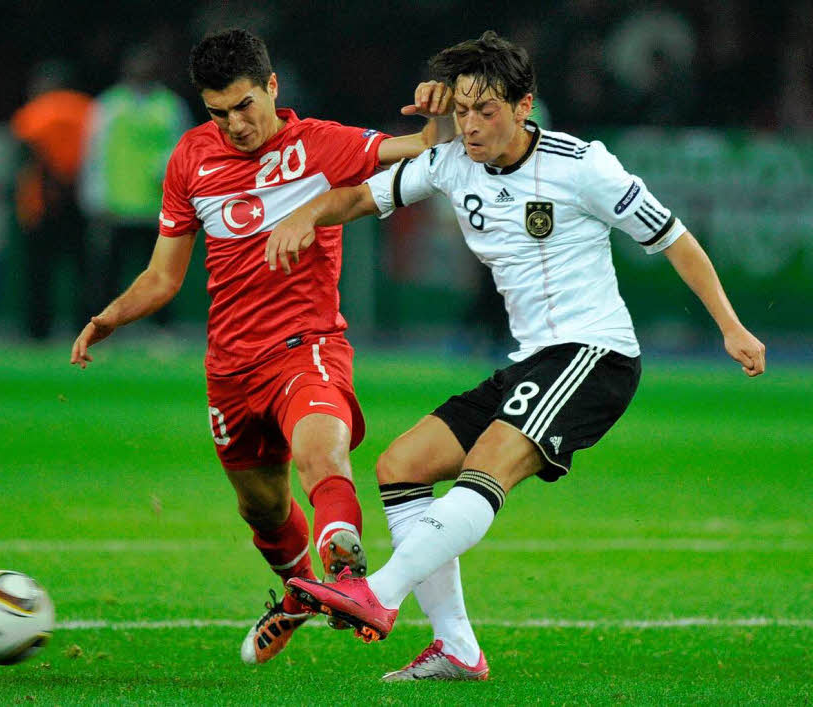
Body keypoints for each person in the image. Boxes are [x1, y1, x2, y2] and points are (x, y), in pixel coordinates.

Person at [269, 30, 766, 681]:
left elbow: (673, 237)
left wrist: (731, 326)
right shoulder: (451, 162)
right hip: (533, 360)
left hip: (595, 355)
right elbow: (362, 197)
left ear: (523, 105)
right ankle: (456, 647)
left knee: (485, 465)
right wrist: (305, 213)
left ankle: (378, 593)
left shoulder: (582, 166)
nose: (470, 127)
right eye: (463, 110)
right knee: (401, 464)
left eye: (486, 111)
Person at [70, 28, 454, 665]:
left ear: (272, 87)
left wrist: (439, 115)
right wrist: (111, 318)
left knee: (320, 450)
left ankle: (347, 568)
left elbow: (422, 148)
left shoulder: (322, 144)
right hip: (230, 368)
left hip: (307, 345)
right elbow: (164, 276)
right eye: (218, 111)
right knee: (263, 507)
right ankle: (300, 593)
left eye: (245, 105)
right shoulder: (191, 160)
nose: (235, 124)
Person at [78, 41, 191, 329]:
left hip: (158, 207)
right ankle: (102, 328)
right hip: (116, 206)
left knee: (161, 274)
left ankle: (161, 330)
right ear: (125, 68)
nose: (143, 70)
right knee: (108, 274)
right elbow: (94, 153)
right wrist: (94, 197)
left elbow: (186, 152)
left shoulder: (170, 106)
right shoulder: (108, 105)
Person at [11, 60, 93, 340]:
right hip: (79, 200)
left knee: (39, 273)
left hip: (41, 204)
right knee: (82, 272)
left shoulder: (32, 112)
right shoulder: (87, 109)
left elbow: (27, 156)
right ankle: (86, 328)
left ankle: (38, 330)